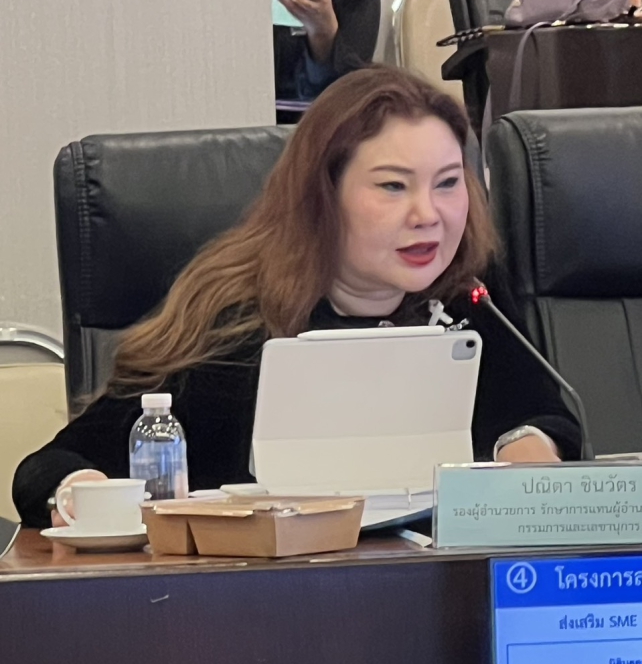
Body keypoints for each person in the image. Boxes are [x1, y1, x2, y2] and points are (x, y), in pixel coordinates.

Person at [13, 67, 581, 529]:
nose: (429, 215)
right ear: (322, 196)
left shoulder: (468, 296)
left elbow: (541, 415)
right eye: (393, 186)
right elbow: (51, 468)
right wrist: (81, 491)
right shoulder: (235, 319)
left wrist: (529, 448)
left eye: (448, 182)